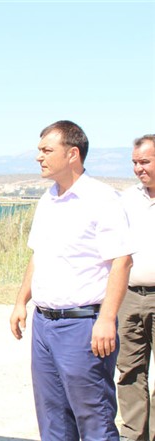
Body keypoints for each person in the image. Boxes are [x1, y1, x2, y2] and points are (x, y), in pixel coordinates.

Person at [9, 120, 133, 440]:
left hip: (83, 326)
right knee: (53, 420)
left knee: (94, 420)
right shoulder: (48, 199)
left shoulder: (102, 198)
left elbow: (121, 261)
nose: (39, 157)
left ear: (72, 154)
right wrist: (21, 302)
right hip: (44, 325)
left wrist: (106, 319)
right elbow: (39, 255)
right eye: (39, 151)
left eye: (47, 150)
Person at [117, 134, 155, 441]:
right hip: (129, 298)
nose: (138, 168)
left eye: (145, 162)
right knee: (129, 372)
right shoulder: (127, 200)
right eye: (135, 162)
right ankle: (133, 436)